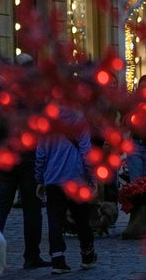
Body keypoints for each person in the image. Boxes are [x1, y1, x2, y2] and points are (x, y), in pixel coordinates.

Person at [0, 54, 49, 270]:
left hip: (7, 158)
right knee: (32, 209)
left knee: (2, 208)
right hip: (29, 158)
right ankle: (32, 256)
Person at [34, 106, 97, 274]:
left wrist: (39, 179)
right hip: (76, 178)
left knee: (55, 220)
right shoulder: (79, 118)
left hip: (53, 178)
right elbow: (86, 151)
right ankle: (87, 255)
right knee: (82, 219)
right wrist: (92, 178)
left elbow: (40, 154)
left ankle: (58, 259)